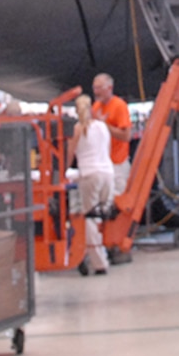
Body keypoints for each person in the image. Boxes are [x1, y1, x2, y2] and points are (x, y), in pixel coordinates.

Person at [73, 94, 112, 275]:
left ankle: (99, 263)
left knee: (90, 219)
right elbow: (107, 150)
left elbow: (70, 154)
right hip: (107, 174)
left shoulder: (77, 129)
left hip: (89, 175)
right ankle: (107, 251)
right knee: (104, 217)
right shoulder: (103, 127)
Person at [90, 73, 132, 191]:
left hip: (117, 164)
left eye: (99, 88)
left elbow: (126, 136)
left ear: (109, 88)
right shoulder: (96, 106)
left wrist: (104, 125)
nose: (96, 92)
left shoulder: (119, 106)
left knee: (116, 199)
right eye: (94, 88)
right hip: (101, 163)